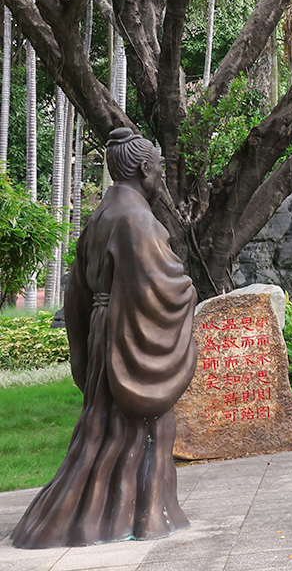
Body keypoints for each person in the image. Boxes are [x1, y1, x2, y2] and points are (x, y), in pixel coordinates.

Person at [12, 128, 197, 549]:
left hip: (104, 331)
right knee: (138, 428)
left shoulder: (101, 217)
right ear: (145, 168)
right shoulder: (136, 220)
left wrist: (85, 344)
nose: (161, 176)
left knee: (105, 427)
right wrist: (187, 291)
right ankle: (129, 516)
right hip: (126, 335)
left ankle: (102, 514)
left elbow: (76, 290)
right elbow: (162, 286)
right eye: (159, 167)